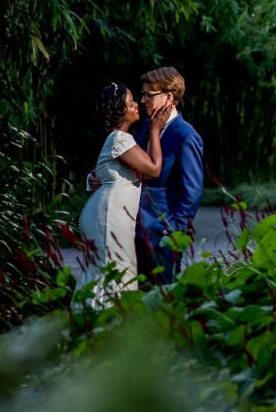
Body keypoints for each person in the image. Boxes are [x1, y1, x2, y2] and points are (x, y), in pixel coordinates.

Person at [77, 82, 170, 299]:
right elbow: (153, 169)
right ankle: (104, 323)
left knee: (109, 272)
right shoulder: (119, 138)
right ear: (120, 110)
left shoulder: (119, 139)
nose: (136, 104)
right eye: (131, 102)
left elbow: (108, 171)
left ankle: (94, 320)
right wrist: (155, 130)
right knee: (114, 272)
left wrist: (92, 178)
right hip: (110, 216)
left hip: (111, 214)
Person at [129, 66, 205, 285]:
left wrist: (172, 230)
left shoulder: (186, 136)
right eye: (142, 94)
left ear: (169, 97)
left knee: (163, 299)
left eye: (148, 95)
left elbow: (192, 192)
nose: (142, 100)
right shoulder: (146, 126)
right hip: (134, 229)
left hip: (162, 234)